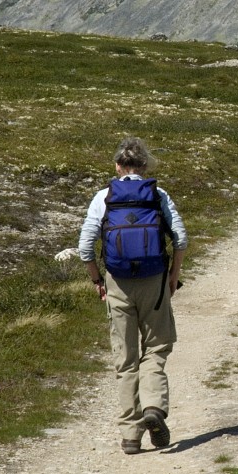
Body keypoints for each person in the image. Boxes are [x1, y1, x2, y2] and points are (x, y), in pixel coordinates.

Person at [79, 137, 188, 454]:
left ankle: (130, 435)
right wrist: (173, 276)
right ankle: (153, 407)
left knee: (125, 359)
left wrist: (98, 280)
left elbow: (85, 248)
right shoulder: (158, 195)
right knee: (155, 348)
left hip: (117, 282)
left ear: (117, 166)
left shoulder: (103, 198)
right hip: (154, 281)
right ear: (144, 166)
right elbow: (180, 239)